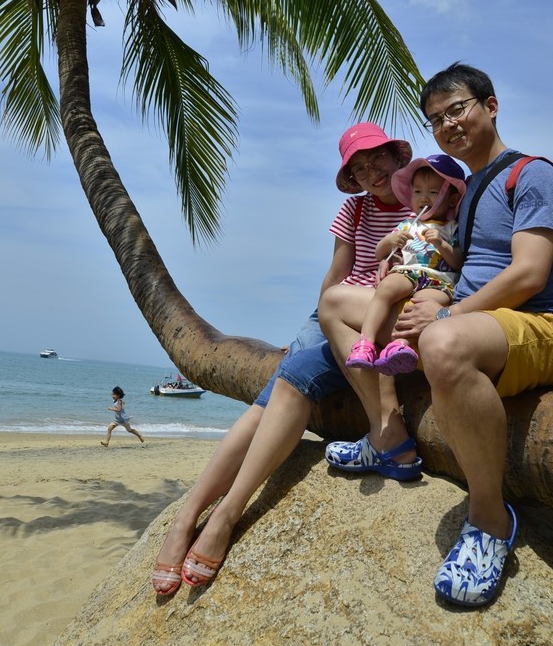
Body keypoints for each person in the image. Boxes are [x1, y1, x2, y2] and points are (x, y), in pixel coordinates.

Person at [326, 62, 553, 608]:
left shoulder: (530, 175)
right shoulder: (466, 195)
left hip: (540, 326)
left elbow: (529, 274)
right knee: (336, 302)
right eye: (436, 119)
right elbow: (460, 269)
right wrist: (428, 292)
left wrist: (445, 318)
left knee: (441, 342)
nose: (448, 125)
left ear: (491, 105)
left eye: (458, 109)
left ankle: (490, 520)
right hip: (472, 320)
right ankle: (387, 430)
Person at [151, 122, 422, 596]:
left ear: (397, 155)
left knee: (293, 378)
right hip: (335, 317)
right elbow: (333, 282)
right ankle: (188, 517)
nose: (370, 172)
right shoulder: (354, 211)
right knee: (273, 390)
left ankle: (227, 514)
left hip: (382, 319)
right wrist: (306, 332)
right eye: (358, 168)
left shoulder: (424, 200)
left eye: (376, 158)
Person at [342, 153, 466, 375]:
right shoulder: (408, 224)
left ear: (453, 199)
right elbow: (379, 253)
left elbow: (458, 262)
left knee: (421, 306)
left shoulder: (452, 228)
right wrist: (389, 241)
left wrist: (442, 245)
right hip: (407, 272)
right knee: (386, 288)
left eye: (433, 192)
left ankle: (402, 345)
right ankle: (366, 342)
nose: (423, 198)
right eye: (418, 192)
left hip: (438, 280)